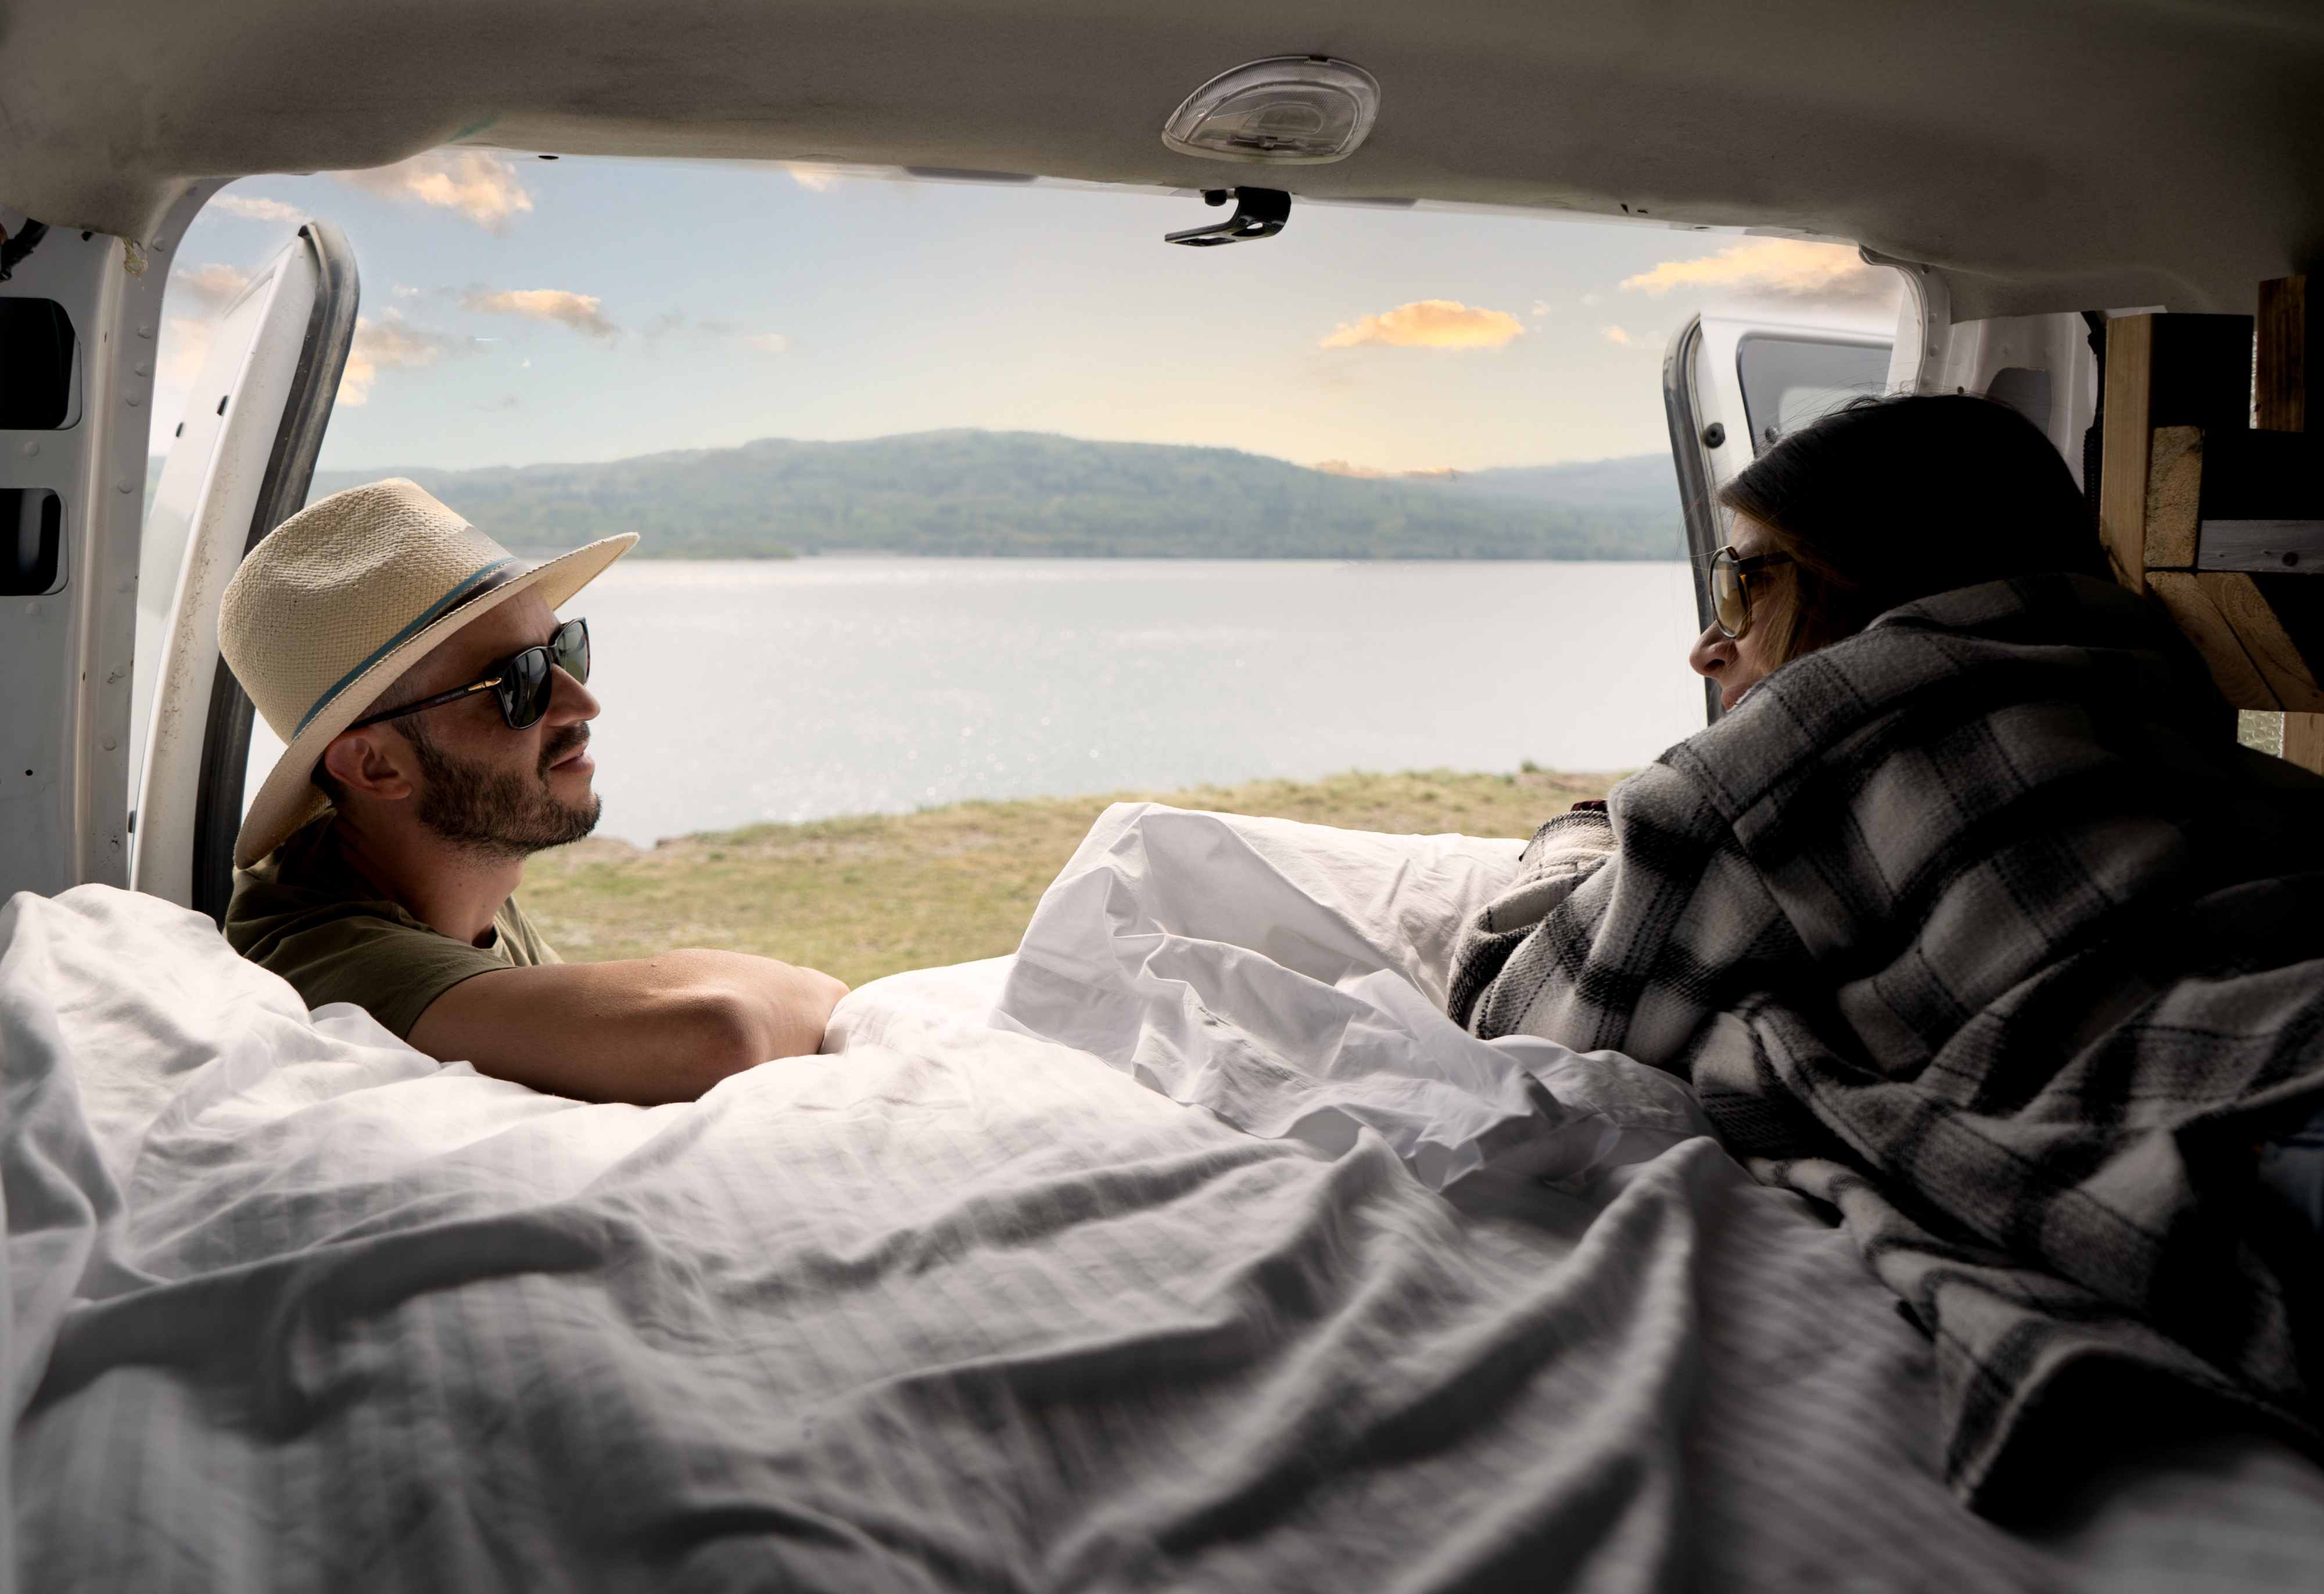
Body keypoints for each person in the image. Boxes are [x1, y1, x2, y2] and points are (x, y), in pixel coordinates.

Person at [1446, 393, 2324, 1513]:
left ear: (1859, 576)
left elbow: (1518, 1007)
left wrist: (1579, 833)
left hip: (2255, 1108)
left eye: (1742, 581)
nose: (1708, 642)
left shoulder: (1800, 735)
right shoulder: (2147, 677)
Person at [219, 479, 846, 1105]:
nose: (583, 702)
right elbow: (716, 1033)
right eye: (519, 682)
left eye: (564, 651)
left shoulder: (449, 862)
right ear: (374, 765)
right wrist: (822, 990)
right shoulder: (338, 961)